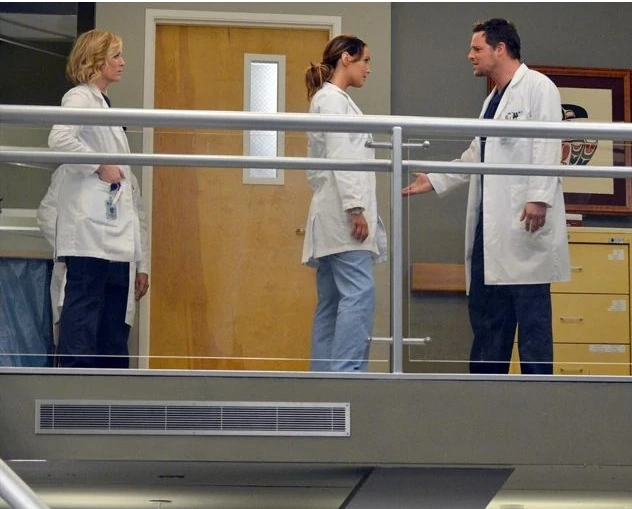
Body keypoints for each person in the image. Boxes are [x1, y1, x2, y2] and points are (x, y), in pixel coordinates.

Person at [402, 18, 570, 375]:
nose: (470, 55)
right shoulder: (492, 100)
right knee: (488, 323)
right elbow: (475, 155)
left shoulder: (538, 87)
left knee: (532, 326)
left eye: (476, 48)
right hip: (489, 231)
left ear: (500, 48)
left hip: (525, 225)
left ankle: (540, 399)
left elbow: (547, 142)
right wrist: (434, 179)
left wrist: (539, 197)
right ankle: (483, 397)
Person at [37, 29, 149, 368]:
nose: (123, 62)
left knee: (111, 329)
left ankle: (107, 392)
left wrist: (141, 261)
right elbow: (59, 139)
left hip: (111, 236)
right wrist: (99, 164)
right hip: (89, 235)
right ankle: (76, 388)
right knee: (83, 316)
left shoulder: (102, 103)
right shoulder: (80, 97)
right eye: (116, 56)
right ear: (96, 61)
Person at [302, 34, 387, 372]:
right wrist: (355, 208)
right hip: (343, 218)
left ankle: (325, 377)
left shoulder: (328, 99)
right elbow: (341, 155)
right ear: (347, 59)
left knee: (333, 301)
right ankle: (346, 374)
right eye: (365, 60)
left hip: (331, 216)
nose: (369, 69)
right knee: (358, 295)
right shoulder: (332, 100)